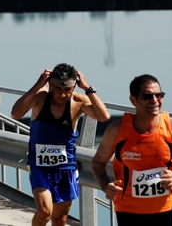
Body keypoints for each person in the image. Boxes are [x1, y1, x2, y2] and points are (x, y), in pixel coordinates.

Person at [11, 63, 110, 226]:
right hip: (39, 165)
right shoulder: (40, 97)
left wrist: (87, 88)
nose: (62, 95)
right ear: (50, 84)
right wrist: (38, 84)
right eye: (58, 89)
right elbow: (16, 113)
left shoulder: (78, 101)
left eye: (67, 90)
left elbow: (104, 116)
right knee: (44, 212)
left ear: (73, 87)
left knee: (60, 218)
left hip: (66, 166)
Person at [91, 74, 172, 225]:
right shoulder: (117, 129)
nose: (154, 101)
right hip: (127, 209)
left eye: (159, 95)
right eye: (147, 96)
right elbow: (97, 162)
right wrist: (104, 185)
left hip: (163, 208)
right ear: (133, 100)